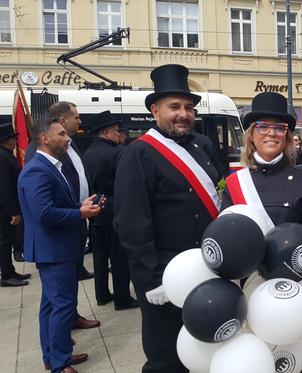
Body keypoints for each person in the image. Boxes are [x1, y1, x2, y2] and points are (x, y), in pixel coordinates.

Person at [114, 64, 221, 372]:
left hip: (206, 267)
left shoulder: (203, 146)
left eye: (188, 107)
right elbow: (132, 224)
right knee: (167, 357)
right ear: (154, 110)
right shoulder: (138, 154)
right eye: (174, 107)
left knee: (205, 347)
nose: (183, 114)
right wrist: (151, 281)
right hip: (165, 273)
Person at [221, 91, 302, 325]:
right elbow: (226, 241)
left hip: (294, 285)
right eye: (262, 126)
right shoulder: (235, 183)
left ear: (287, 136)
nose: (271, 133)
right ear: (251, 135)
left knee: (289, 357)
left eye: (279, 127)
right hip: (249, 284)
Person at [18, 116, 102, 373]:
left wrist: (80, 206)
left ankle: (52, 356)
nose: (68, 138)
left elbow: (55, 206)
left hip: (58, 247)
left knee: (51, 305)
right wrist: (80, 214)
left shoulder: (51, 166)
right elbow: (44, 213)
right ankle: (60, 364)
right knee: (63, 306)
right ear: (45, 139)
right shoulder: (36, 170)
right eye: (62, 134)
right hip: (54, 249)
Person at [82, 111, 137, 311]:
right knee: (119, 257)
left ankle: (102, 294)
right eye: (115, 131)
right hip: (115, 208)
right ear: (106, 132)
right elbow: (126, 183)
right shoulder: (118, 152)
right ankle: (123, 298)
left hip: (95, 208)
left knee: (99, 256)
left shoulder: (88, 153)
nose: (118, 134)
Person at [0, 123, 30, 287]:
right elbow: (4, 185)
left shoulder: (4, 153)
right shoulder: (0, 156)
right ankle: (5, 275)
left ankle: (10, 271)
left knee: (10, 238)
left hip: (4, 203)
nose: (15, 141)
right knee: (5, 240)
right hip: (2, 205)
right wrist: (14, 212)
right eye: (13, 138)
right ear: (7, 140)